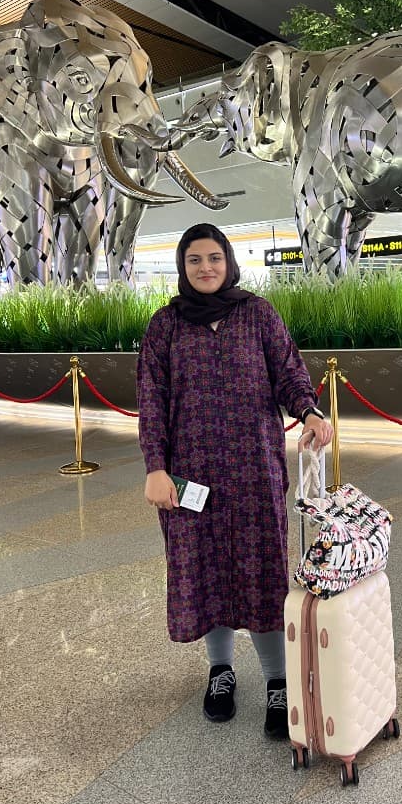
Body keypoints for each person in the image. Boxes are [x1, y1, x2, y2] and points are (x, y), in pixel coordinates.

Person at [137, 222, 333, 739]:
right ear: (182, 266)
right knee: (204, 571)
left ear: (229, 262)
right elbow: (152, 400)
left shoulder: (258, 314)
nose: (205, 268)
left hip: (253, 470)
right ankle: (220, 672)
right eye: (195, 259)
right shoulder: (165, 326)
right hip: (190, 475)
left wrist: (309, 411)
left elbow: (288, 372)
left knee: (262, 572)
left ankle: (277, 681)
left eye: (214, 258)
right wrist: (155, 467)